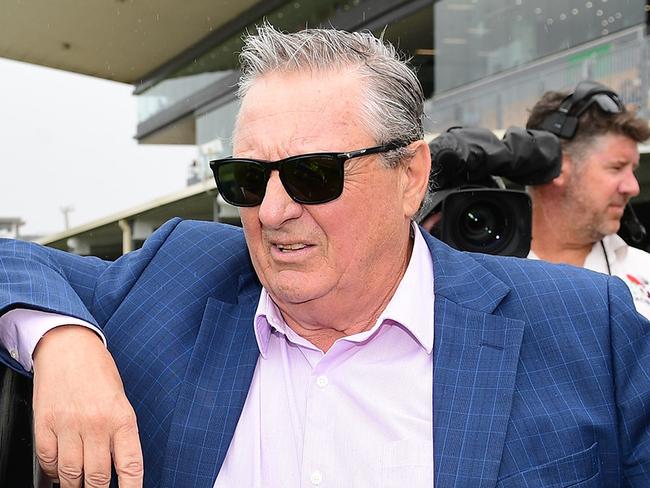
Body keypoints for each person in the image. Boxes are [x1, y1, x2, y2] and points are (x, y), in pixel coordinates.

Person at [0, 25, 649, 488]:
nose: (274, 211)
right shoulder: (181, 276)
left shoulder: (585, 323)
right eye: (247, 180)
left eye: (313, 174)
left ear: (410, 176)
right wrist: (64, 340)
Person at [526, 81, 650, 318]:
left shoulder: (645, 271)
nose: (633, 187)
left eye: (632, 169)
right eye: (617, 167)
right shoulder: (482, 272)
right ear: (557, 166)